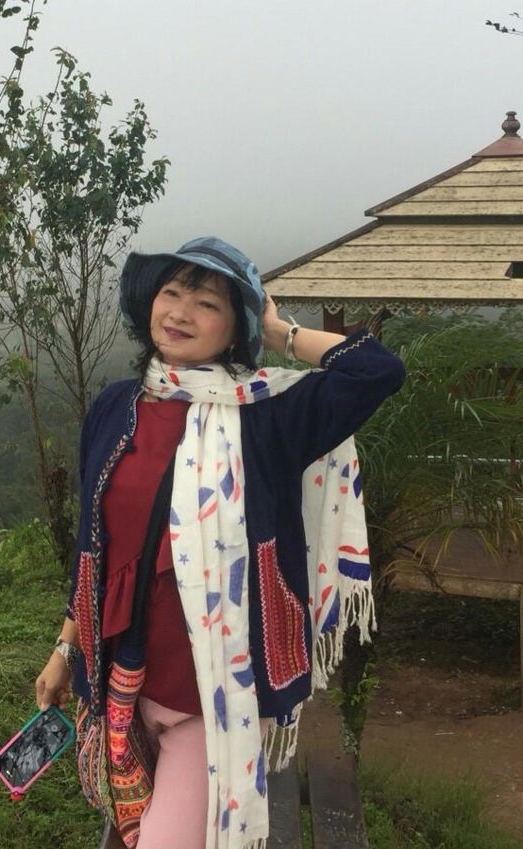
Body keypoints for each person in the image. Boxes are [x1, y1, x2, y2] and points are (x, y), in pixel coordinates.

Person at [35, 236, 405, 849]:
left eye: (207, 303)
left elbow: (377, 371)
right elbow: (93, 547)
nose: (180, 312)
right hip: (123, 682)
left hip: (211, 701)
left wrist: (280, 331)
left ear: (236, 327)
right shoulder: (115, 406)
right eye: (172, 293)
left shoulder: (267, 416)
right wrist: (63, 649)